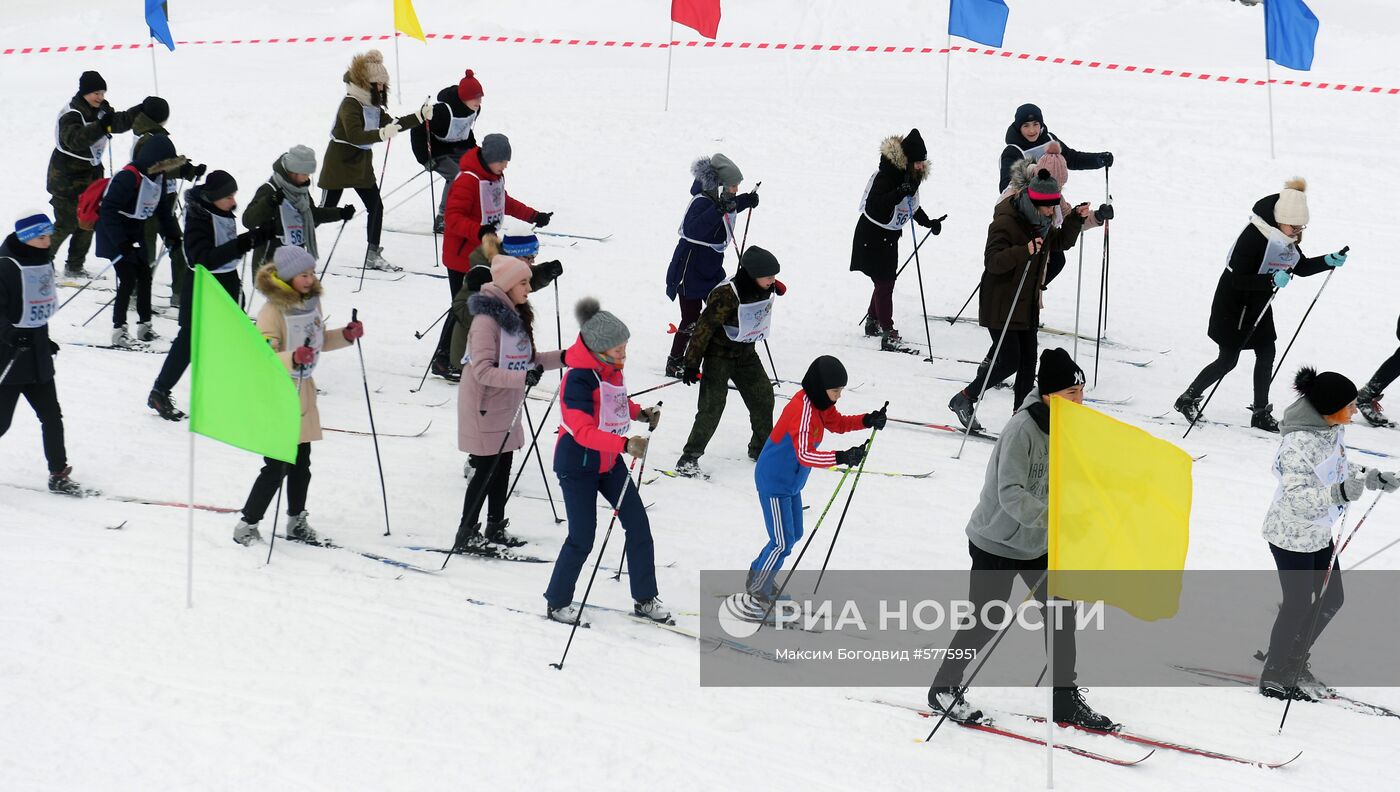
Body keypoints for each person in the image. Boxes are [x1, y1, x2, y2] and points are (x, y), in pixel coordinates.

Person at [928, 348, 1118, 731]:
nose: (1079, 401)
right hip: (996, 541)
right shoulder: (1021, 430)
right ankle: (943, 689)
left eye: (1081, 392)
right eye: (1070, 395)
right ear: (1048, 395)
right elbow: (1010, 492)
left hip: (1039, 543)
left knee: (1061, 613)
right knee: (986, 619)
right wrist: (1057, 518)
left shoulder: (1069, 424)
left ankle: (1063, 697)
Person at [1259, 367, 1399, 700]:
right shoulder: (1296, 444)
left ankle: (1292, 658)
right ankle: (1274, 673)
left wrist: (1369, 476)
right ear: (1329, 408)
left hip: (1319, 531)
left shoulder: (1329, 428)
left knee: (1332, 599)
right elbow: (1297, 495)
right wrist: (1340, 493)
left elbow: (1336, 467)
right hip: (1290, 534)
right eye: (1349, 406)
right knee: (1297, 604)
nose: (1354, 411)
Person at [1174, 179, 1345, 432]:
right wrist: (1271, 280)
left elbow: (1301, 266)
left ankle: (1260, 412)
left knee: (1266, 353)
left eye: (1301, 227)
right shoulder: (1253, 237)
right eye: (1294, 227)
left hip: (1259, 303)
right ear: (1280, 220)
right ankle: (1186, 399)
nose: (1298, 232)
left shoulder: (1284, 236)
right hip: (1233, 306)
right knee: (1227, 360)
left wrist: (1328, 261)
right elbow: (1237, 279)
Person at [543, 298, 667, 625]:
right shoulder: (576, 380)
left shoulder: (610, 370)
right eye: (618, 350)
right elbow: (582, 430)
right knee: (583, 536)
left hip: (609, 462)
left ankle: (645, 598)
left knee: (639, 525)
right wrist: (625, 443)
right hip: (578, 465)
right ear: (599, 350)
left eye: (625, 348)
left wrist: (640, 413)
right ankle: (557, 602)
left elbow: (613, 403)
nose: (623, 355)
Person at [727, 356, 877, 621]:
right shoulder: (803, 411)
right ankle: (756, 590)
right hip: (774, 481)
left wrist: (866, 420)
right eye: (835, 391)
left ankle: (760, 574)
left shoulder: (820, 403)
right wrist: (842, 457)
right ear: (820, 387)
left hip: (792, 482)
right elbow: (806, 455)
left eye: (840, 391)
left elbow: (837, 423)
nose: (838, 397)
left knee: (794, 534)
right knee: (782, 541)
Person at [230, 247, 363, 546]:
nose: (310, 279)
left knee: (302, 464)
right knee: (276, 466)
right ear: (289, 277)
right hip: (276, 395)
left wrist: (346, 335)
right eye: (304, 274)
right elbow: (263, 356)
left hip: (303, 394)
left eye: (312, 273)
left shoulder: (310, 304)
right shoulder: (272, 311)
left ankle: (296, 520)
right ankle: (247, 524)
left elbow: (318, 342)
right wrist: (292, 358)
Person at [948, 169, 1088, 431]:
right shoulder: (1006, 221)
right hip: (1001, 303)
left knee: (1028, 363)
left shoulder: (1041, 222)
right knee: (1011, 360)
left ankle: (1020, 416)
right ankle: (965, 398)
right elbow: (993, 261)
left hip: (1027, 302)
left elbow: (1059, 243)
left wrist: (1075, 221)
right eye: (1049, 208)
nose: (1052, 213)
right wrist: (1024, 251)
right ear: (1035, 204)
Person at [452, 255, 566, 552]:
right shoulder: (485, 322)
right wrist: (523, 378)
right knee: (486, 468)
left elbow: (531, 361)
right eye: (524, 282)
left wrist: (566, 357)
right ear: (507, 285)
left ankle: (494, 525)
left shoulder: (514, 315)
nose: (529, 288)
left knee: (503, 466)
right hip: (485, 404)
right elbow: (483, 370)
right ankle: (466, 532)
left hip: (506, 403)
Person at [147, 171, 276, 420]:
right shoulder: (197, 218)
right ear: (214, 196)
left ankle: (240, 392)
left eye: (234, 195)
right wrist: (244, 242)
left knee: (236, 338)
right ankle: (159, 392)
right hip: (202, 287)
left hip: (227, 283)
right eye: (228, 196)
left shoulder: (221, 211)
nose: (233, 201)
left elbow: (229, 246)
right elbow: (201, 258)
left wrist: (260, 235)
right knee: (188, 343)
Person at [438, 134, 550, 378]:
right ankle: (443, 358)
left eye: (506, 161)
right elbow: (453, 217)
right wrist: (479, 231)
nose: (505, 165)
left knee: (476, 304)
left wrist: (533, 215)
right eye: (501, 161)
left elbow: (503, 203)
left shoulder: (493, 176)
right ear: (489, 158)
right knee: (462, 305)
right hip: (461, 255)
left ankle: (468, 353)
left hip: (483, 252)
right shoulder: (468, 180)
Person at [673, 245, 784, 478]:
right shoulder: (725, 294)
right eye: (769, 277)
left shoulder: (762, 285)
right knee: (712, 406)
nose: (773, 281)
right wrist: (691, 363)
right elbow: (704, 328)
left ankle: (761, 448)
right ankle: (689, 458)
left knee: (763, 396)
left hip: (745, 353)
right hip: (718, 355)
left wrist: (774, 285)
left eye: (775, 277)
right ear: (753, 275)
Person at [318, 49, 430, 273]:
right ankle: (295, 242)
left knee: (376, 206)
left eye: (382, 84)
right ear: (366, 83)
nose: (381, 88)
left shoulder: (373, 106)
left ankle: (372, 253)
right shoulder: (350, 104)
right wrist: (381, 134)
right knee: (325, 211)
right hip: (338, 163)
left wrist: (419, 116)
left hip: (361, 165)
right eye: (377, 84)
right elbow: (355, 135)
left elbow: (393, 123)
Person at [0, 212, 87, 496]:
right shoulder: (6, 267)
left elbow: (38, 310)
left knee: (52, 416)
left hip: (37, 358)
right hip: (8, 360)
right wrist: (11, 334)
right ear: (27, 238)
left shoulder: (42, 262)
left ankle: (58, 474)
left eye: (49, 235)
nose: (48, 241)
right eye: (42, 237)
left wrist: (44, 341)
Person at [664, 154, 759, 377]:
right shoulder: (702, 201)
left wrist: (747, 199)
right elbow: (692, 230)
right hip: (690, 266)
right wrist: (718, 210)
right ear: (722, 185)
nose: (736, 189)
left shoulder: (722, 199)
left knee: (724, 308)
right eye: (734, 185)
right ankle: (674, 362)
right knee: (690, 318)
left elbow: (731, 205)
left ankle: (724, 356)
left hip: (712, 266)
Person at [850, 130, 944, 353]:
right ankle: (887, 332)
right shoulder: (886, 176)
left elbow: (912, 205)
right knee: (885, 284)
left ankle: (873, 322)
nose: (921, 166)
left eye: (923, 162)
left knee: (884, 282)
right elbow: (875, 205)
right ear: (908, 161)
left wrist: (928, 222)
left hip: (889, 236)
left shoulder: (910, 177)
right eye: (918, 162)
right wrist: (898, 193)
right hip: (872, 236)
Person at [94, 135, 187, 347]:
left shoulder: (158, 178)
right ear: (152, 159)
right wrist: (121, 243)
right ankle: (119, 330)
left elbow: (163, 210)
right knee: (127, 278)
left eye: (167, 164)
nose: (164, 168)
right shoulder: (128, 177)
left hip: (135, 231)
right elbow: (107, 210)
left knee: (145, 275)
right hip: (113, 232)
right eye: (162, 163)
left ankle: (145, 327)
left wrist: (173, 236)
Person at [47, 70, 141, 279]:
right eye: (95, 93)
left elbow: (116, 121)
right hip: (65, 178)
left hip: (91, 175)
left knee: (88, 220)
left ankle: (75, 266)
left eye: (102, 92)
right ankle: (42, 261)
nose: (100, 97)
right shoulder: (72, 113)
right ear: (84, 92)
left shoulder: (101, 108)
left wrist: (140, 111)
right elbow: (75, 139)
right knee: (66, 223)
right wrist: (101, 126)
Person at [446, 230, 563, 381]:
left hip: (500, 355)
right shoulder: (483, 273)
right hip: (475, 356)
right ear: (513, 255)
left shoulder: (507, 266)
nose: (532, 262)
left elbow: (519, 282)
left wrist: (544, 272)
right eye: (529, 257)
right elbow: (461, 311)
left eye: (534, 257)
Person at [998, 143, 1111, 287]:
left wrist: (1096, 217)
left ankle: (1034, 290)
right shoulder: (1016, 193)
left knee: (1057, 261)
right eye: (1053, 186)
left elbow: (1069, 220)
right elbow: (1002, 216)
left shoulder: (1055, 197)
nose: (1056, 191)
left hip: (1038, 256)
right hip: (1015, 253)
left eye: (1059, 187)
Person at [130, 95, 206, 307]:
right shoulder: (148, 137)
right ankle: (136, 293)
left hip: (163, 201)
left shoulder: (148, 134)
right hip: (147, 203)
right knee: (148, 251)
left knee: (177, 245)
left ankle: (180, 294)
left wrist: (187, 169)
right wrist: (186, 169)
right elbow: (155, 167)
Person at [243, 145, 351, 271]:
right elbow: (248, 220)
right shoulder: (269, 189)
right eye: (304, 173)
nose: (307, 178)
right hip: (271, 261)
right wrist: (269, 202)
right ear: (293, 171)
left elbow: (313, 214)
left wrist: (340, 213)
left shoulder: (301, 191)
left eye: (309, 174)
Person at [410, 69, 484, 233]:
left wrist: (474, 150)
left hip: (457, 146)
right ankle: (442, 218)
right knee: (457, 175)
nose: (478, 101)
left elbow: (465, 129)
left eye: (480, 97)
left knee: (479, 170)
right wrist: (424, 158)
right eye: (475, 97)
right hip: (436, 151)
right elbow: (417, 129)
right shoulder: (442, 112)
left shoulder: (475, 109)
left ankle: (469, 211)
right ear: (464, 97)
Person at [997, 103, 1112, 194]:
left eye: (1035, 124)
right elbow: (1005, 188)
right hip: (1026, 209)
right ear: (1019, 128)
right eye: (1026, 125)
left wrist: (1097, 159)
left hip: (1050, 203)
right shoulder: (1013, 151)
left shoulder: (1049, 140)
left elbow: (1072, 159)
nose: (1032, 130)